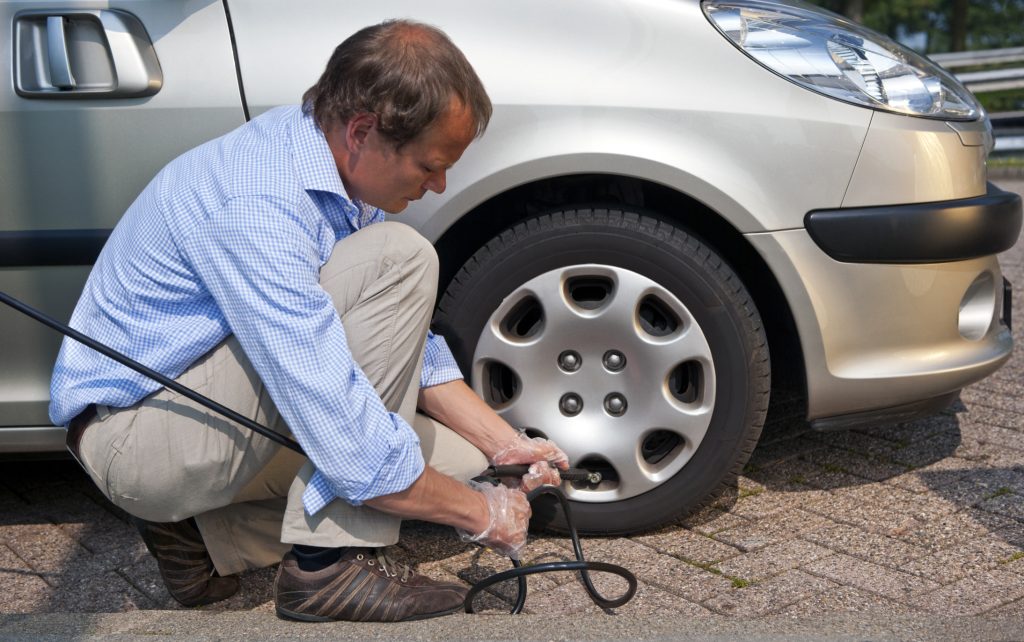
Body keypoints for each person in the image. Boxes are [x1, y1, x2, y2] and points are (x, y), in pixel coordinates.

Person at [48, 19, 568, 622]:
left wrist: (505, 446)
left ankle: (209, 544)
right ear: (363, 131)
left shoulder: (330, 165)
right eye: (430, 165)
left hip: (201, 421)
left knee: (457, 462)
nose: (440, 184)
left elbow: (406, 350)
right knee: (401, 262)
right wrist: (480, 515)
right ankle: (329, 569)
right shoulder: (260, 203)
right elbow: (326, 401)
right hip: (138, 439)